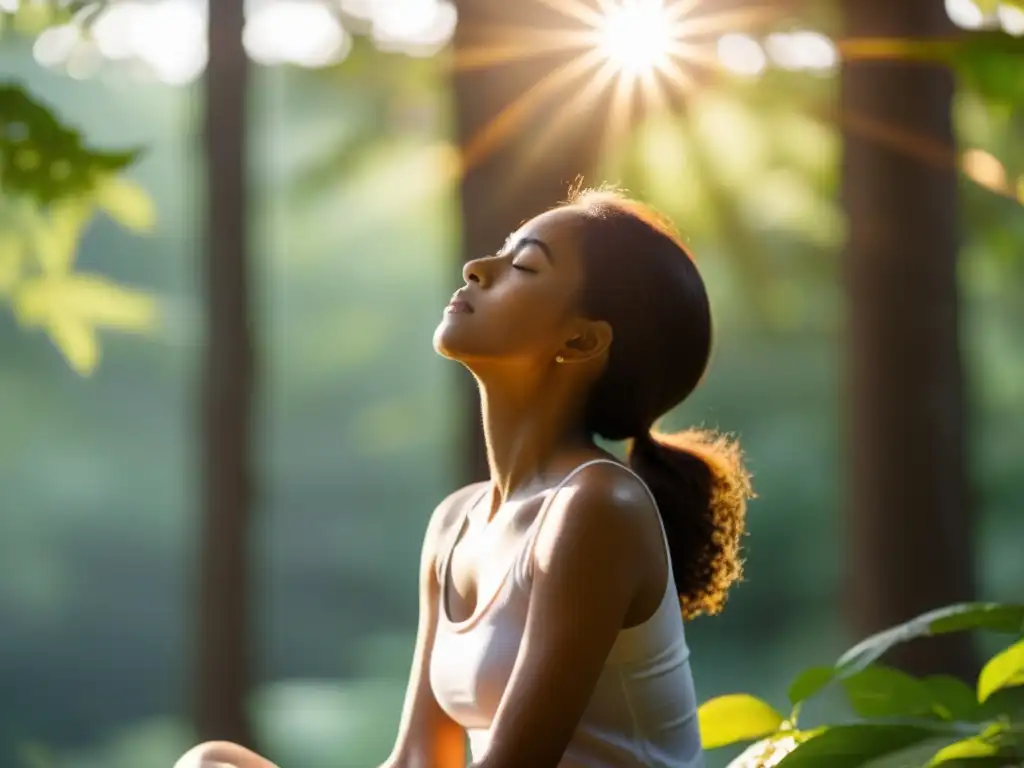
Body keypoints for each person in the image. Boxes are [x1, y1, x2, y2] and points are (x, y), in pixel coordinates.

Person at [176, 187, 752, 768]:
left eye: (524, 265)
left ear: (581, 340)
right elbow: (420, 759)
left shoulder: (598, 505)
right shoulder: (458, 522)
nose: (477, 268)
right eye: (500, 254)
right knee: (212, 762)